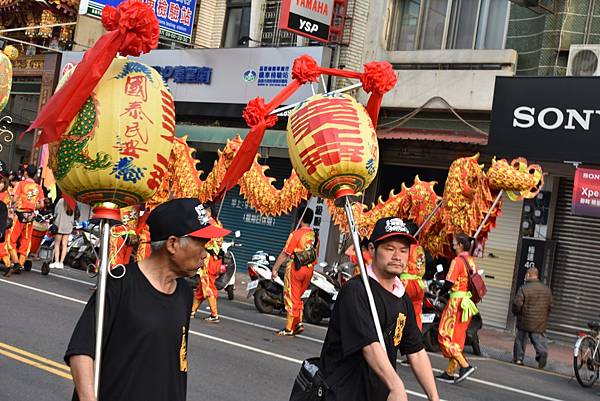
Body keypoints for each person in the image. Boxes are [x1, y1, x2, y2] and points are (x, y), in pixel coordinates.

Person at [64, 198, 231, 401]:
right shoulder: (120, 283)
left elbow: (177, 364)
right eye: (201, 244)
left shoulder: (184, 294)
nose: (205, 254)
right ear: (172, 244)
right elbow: (81, 351)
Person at [318, 217, 440, 401]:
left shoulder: (402, 298)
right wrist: (397, 387)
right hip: (343, 393)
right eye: (390, 249)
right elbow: (370, 346)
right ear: (372, 249)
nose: (397, 256)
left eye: (403, 250)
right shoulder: (356, 291)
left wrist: (434, 397)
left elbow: (416, 351)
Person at [436, 232, 478, 384]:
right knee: (457, 338)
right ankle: (450, 372)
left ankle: (465, 365)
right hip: (466, 303)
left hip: (456, 303)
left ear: (460, 244)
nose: (452, 244)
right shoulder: (471, 260)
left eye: (454, 242)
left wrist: (441, 291)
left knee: (444, 334)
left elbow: (448, 282)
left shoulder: (457, 261)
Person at [271, 207, 318, 336]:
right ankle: (297, 324)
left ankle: (288, 328)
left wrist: (275, 268)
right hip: (309, 270)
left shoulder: (296, 234)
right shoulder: (314, 235)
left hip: (296, 269)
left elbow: (285, 254)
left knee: (291, 296)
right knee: (298, 297)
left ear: (300, 218)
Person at [5, 164, 44, 275]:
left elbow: (14, 199)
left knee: (11, 240)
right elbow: (41, 204)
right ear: (35, 175)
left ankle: (16, 262)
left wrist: (15, 205)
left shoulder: (20, 184)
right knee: (26, 241)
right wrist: (32, 205)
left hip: (19, 216)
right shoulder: (38, 188)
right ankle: (21, 264)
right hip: (30, 217)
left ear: (26, 173)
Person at [511, 266, 552, 368]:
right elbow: (550, 306)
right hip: (539, 322)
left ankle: (519, 359)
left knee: (520, 339)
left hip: (524, 320)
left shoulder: (523, 288)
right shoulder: (546, 290)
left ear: (528, 275)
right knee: (538, 339)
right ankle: (542, 353)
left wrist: (515, 313)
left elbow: (517, 304)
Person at [190, 203, 224, 322]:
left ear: (207, 211)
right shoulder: (218, 223)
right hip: (215, 259)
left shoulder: (208, 223)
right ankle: (192, 311)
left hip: (208, 259)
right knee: (201, 286)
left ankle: (214, 315)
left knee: (208, 285)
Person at [400, 244, 426, 331]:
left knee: (401, 311)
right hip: (419, 283)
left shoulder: (403, 246)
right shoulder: (419, 248)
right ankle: (417, 334)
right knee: (417, 311)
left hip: (405, 283)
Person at [51, 196, 76, 269]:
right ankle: (61, 263)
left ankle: (56, 261)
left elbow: (55, 213)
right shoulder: (73, 203)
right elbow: (76, 215)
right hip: (68, 226)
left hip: (59, 224)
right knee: (65, 244)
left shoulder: (61, 201)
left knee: (57, 244)